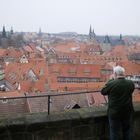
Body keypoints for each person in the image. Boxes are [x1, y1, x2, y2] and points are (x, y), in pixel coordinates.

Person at [101, 65, 135, 140]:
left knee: (114, 132)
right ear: (123, 74)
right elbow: (131, 90)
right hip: (127, 111)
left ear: (115, 74)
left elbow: (103, 91)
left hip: (114, 112)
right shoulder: (130, 83)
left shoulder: (112, 84)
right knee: (127, 131)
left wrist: (110, 80)